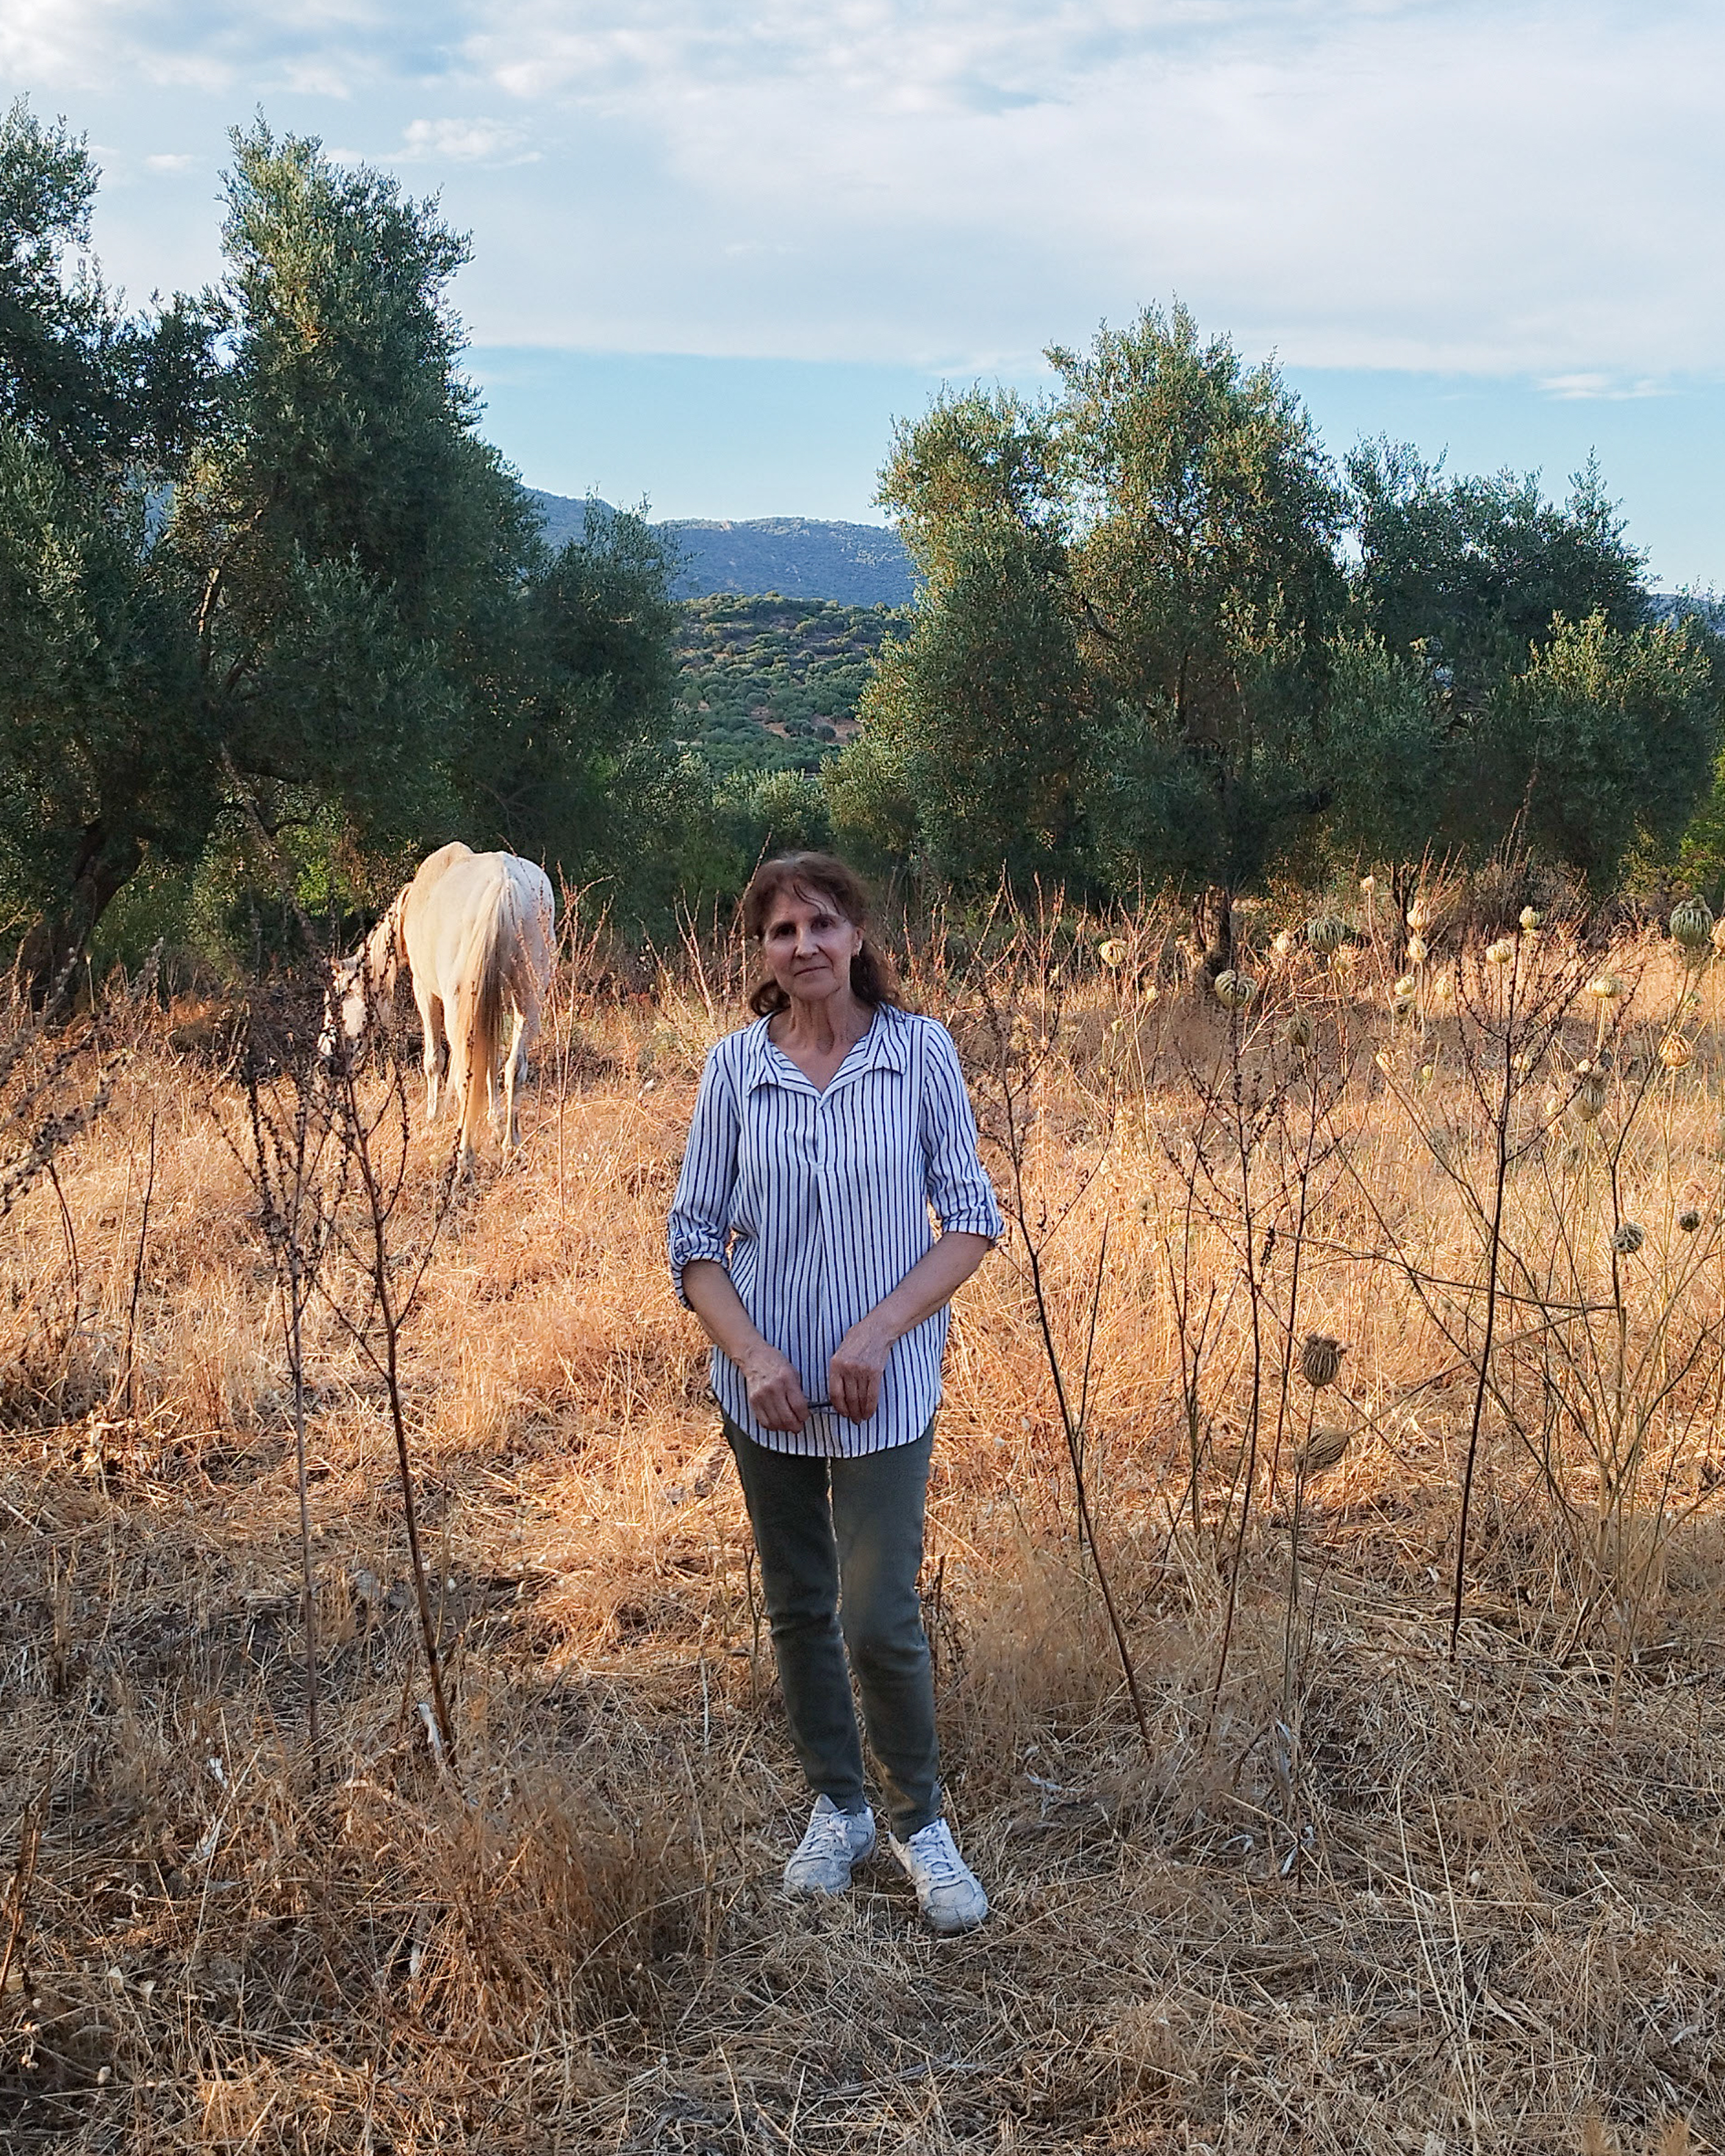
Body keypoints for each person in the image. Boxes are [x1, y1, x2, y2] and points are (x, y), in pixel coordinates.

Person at [667, 853, 1002, 1934]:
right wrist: (756, 1358)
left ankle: (920, 1822)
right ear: (760, 953)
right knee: (798, 1605)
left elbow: (971, 1222)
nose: (803, 946)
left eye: (820, 923)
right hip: (763, 1392)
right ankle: (839, 1806)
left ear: (857, 934)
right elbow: (692, 1243)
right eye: (780, 932)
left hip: (880, 1393)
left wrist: (880, 1330)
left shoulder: (918, 1056)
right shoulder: (734, 1070)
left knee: (878, 1615)